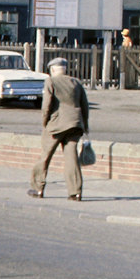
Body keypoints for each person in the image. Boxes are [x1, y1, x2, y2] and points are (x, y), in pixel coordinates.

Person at [28, 56, 90, 201]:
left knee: (45, 156)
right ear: (65, 69)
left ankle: (38, 188)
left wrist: (45, 122)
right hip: (75, 124)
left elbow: (47, 104)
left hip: (56, 125)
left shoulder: (51, 81)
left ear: (53, 70)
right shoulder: (76, 82)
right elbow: (84, 105)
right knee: (71, 158)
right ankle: (75, 192)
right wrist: (85, 125)